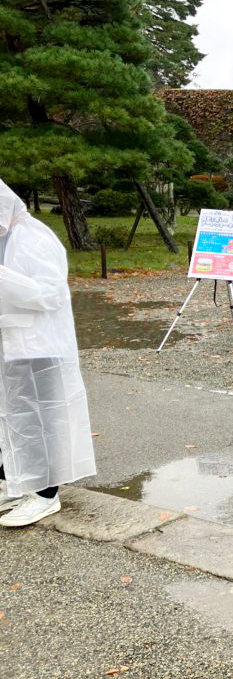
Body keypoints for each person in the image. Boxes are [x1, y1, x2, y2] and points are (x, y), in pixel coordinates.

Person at [0, 180, 95, 527]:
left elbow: (49, 294)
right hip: (8, 343)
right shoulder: (5, 238)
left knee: (40, 420)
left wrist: (3, 277)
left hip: (37, 345)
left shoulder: (35, 238)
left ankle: (44, 494)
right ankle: (14, 481)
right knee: (8, 417)